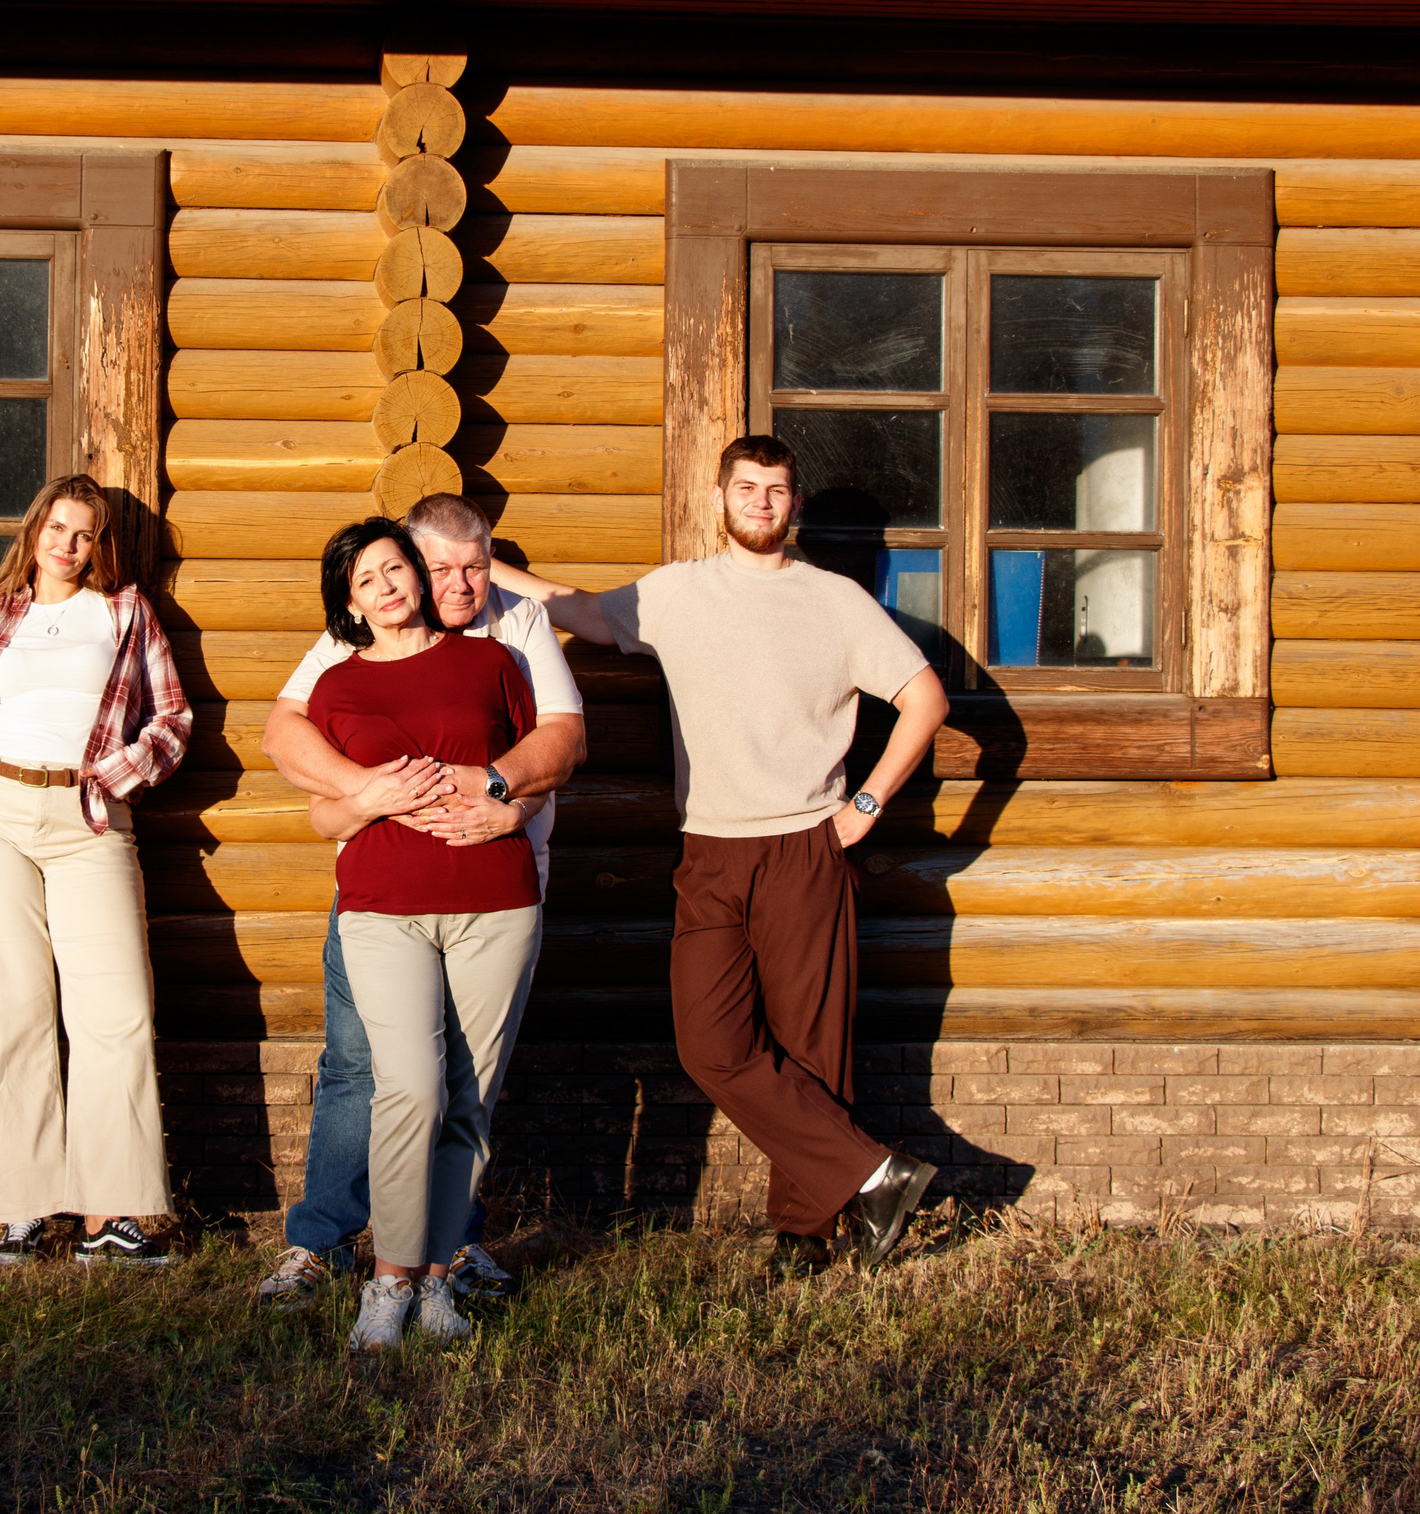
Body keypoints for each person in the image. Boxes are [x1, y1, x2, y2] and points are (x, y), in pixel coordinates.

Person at [493, 436, 952, 1275]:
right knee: (710, 1043)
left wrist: (865, 806)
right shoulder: (677, 593)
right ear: (720, 498)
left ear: (794, 505)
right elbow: (586, 610)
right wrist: (480, 563)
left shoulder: (836, 601)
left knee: (811, 1041)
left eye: (777, 490)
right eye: (748, 488)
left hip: (806, 843)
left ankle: (806, 1234)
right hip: (709, 847)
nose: (763, 503)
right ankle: (875, 1173)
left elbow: (925, 697)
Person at [254, 493, 585, 1311]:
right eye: (440, 567)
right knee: (366, 1067)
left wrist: (502, 790)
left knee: (465, 1081)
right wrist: (370, 792)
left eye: (475, 565)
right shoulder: (358, 633)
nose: (458, 582)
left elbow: (564, 737)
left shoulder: (513, 630)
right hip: (382, 890)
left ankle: (444, 1252)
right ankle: (322, 1241)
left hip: (492, 884)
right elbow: (285, 730)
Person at [0, 473, 192, 1268]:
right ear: (33, 531)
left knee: (116, 1011)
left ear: (100, 545)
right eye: (55, 527)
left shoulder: (126, 614)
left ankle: (110, 1215)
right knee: (8, 1011)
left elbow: (171, 720)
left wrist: (117, 774)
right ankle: (25, 1209)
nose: (65, 544)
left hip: (88, 819)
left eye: (83, 533)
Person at [300, 517, 546, 1350]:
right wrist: (368, 798)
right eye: (366, 579)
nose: (388, 585)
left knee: (473, 1096)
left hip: (495, 902)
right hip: (381, 907)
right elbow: (321, 811)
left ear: (418, 574)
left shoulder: (490, 661)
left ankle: (438, 1276)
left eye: (395, 568)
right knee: (410, 1085)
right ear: (351, 604)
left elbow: (536, 778)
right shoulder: (335, 689)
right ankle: (389, 1276)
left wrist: (503, 803)